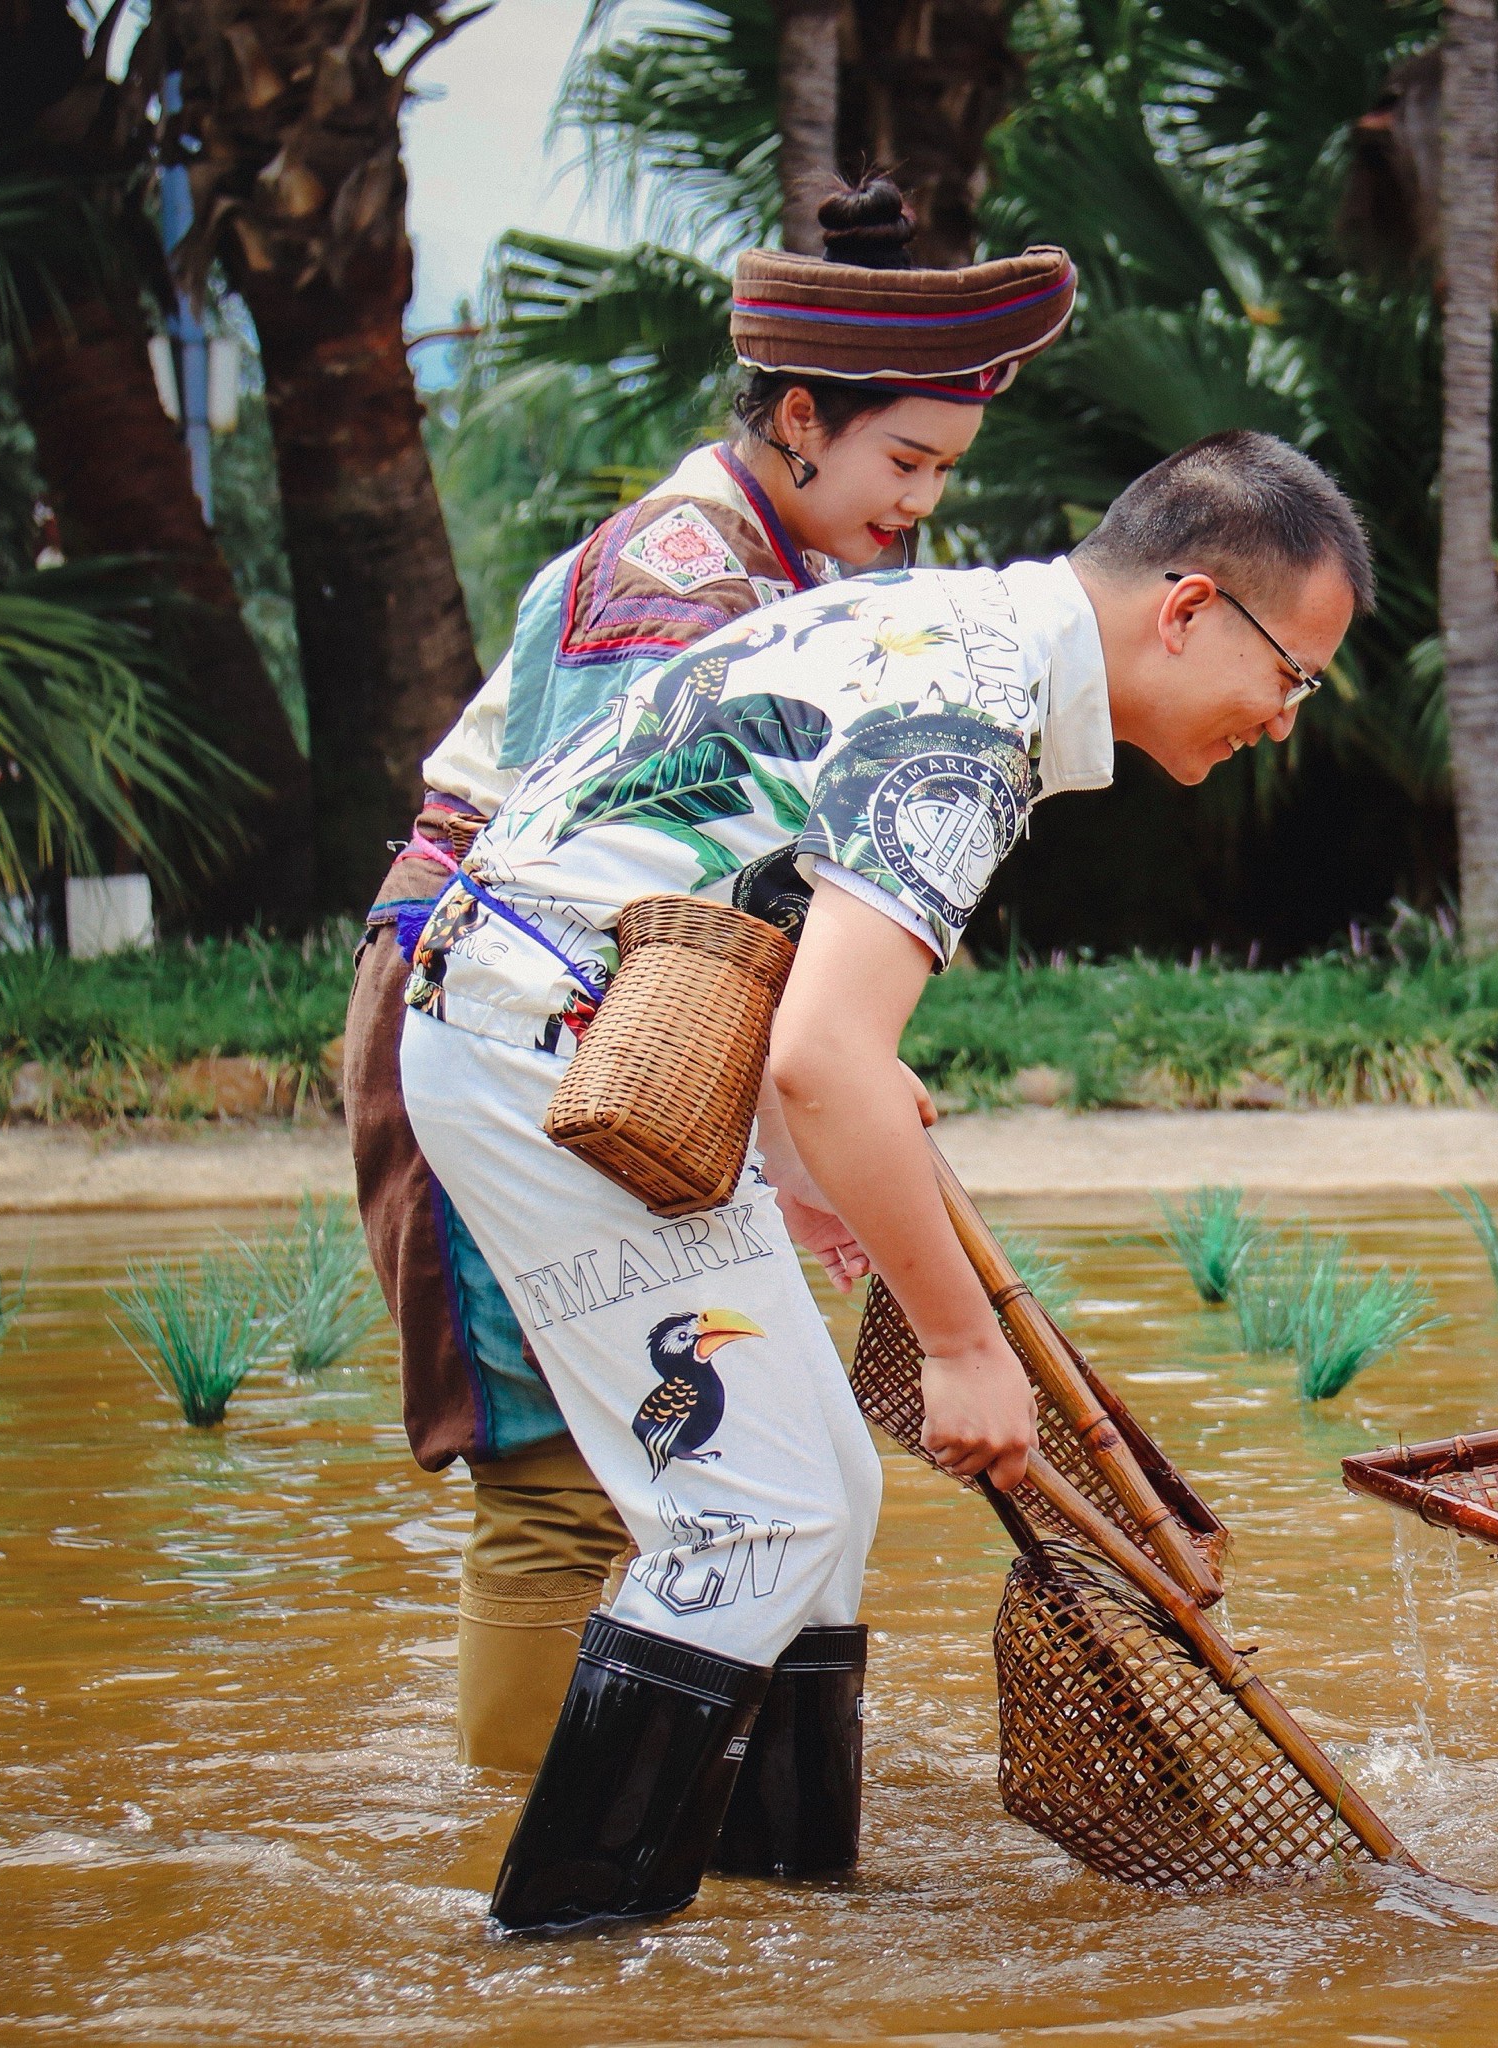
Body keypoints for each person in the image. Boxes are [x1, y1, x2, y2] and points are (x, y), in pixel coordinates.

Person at [397, 430, 1369, 1934]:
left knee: (826, 1496)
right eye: (1290, 678)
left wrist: (800, 1152)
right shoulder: (975, 716)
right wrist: (969, 1349)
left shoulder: (954, 629)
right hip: (545, 1063)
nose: (1285, 720)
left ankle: (791, 1905)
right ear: (1186, 612)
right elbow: (825, 1060)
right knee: (752, 1521)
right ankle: (562, 1947)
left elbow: (766, 947)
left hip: (607, 1034)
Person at [338, 178, 1077, 1779]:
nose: (922, 507)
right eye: (905, 463)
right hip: (501, 1015)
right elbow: (608, 897)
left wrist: (807, 1148)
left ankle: (714, 1840)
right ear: (800, 420)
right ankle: (533, 1860)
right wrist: (804, 1133)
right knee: (557, 1480)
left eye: (947, 473)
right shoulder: (675, 582)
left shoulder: (797, 575)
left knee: (709, 1462)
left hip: (633, 1029)